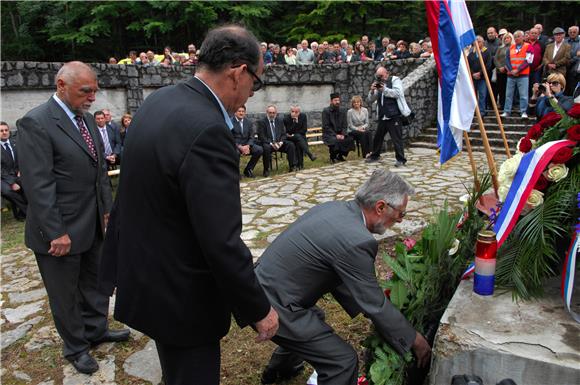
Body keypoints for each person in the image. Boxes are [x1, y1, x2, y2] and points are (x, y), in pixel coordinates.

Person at [98, 25, 279, 385]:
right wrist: (258, 308)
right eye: (255, 84)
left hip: (147, 278)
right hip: (184, 298)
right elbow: (221, 240)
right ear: (238, 71)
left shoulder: (159, 100)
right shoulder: (209, 131)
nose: (251, 95)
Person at [256, 169, 432, 385]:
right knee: (342, 361)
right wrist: (415, 340)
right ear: (380, 207)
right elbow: (373, 303)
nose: (400, 221)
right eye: (400, 214)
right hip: (274, 304)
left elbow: (342, 279)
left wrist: (371, 311)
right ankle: (281, 369)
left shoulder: (334, 208)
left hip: (265, 286)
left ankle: (278, 371)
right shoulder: (357, 241)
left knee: (314, 319)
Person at [16, 61, 128, 375]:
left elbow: (98, 173)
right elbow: (39, 185)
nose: (93, 97)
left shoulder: (87, 120)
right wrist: (56, 232)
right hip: (59, 231)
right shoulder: (36, 122)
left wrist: (106, 209)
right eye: (85, 91)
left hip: (91, 222)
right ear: (61, 85)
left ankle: (96, 329)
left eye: (95, 90)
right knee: (65, 294)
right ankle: (76, 347)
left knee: (94, 282)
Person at [366, 66, 411, 166]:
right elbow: (371, 99)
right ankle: (375, 156)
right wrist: (372, 90)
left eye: (381, 75)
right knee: (378, 137)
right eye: (378, 76)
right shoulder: (378, 83)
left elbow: (398, 93)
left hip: (394, 115)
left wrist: (384, 89)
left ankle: (401, 159)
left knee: (396, 138)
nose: (380, 78)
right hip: (383, 115)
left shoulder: (395, 80)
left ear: (386, 73)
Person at [257, 105, 298, 176]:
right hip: (269, 144)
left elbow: (283, 134)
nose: (272, 114)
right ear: (267, 112)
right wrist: (271, 143)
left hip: (279, 143)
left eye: (273, 113)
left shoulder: (279, 120)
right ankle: (266, 170)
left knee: (290, 145)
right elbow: (261, 136)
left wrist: (281, 142)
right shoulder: (262, 122)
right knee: (266, 148)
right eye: (270, 112)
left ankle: (292, 166)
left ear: (276, 113)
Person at [501, 30, 533, 118]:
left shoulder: (528, 46)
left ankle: (523, 111)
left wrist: (518, 70)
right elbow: (507, 60)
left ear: (523, 37)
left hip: (523, 75)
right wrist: (511, 70)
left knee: (523, 95)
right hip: (511, 75)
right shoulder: (510, 47)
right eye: (515, 37)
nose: (517, 38)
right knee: (508, 94)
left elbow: (529, 60)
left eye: (519, 36)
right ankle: (506, 111)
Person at [1, 121, 27, 220]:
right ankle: (27, 211)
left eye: (6, 130)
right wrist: (11, 183)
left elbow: (22, 158)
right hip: (3, 178)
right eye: (1, 131)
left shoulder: (14, 143)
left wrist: (21, 170)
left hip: (16, 174)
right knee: (8, 191)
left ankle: (21, 213)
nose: (4, 132)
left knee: (28, 184)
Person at [322, 92, 354, 163]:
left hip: (340, 133)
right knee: (335, 140)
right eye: (335, 100)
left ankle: (340, 155)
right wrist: (336, 135)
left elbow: (345, 125)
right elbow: (326, 126)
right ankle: (333, 157)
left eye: (338, 100)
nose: (337, 102)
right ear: (331, 101)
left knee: (350, 139)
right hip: (329, 134)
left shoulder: (342, 110)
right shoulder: (326, 111)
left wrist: (343, 134)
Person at [232, 105, 263, 178]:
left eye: (243, 111)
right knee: (236, 153)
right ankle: (236, 173)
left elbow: (252, 136)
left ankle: (248, 170)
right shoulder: (231, 122)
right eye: (239, 111)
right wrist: (240, 147)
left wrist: (248, 146)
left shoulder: (248, 122)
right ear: (235, 112)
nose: (241, 113)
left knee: (259, 149)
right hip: (236, 146)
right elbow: (230, 137)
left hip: (247, 145)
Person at [283, 105, 316, 169]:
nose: (294, 113)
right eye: (293, 111)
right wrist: (295, 122)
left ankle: (300, 165)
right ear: (290, 111)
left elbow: (304, 130)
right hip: (290, 138)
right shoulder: (286, 118)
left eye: (296, 112)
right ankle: (309, 154)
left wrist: (295, 134)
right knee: (298, 138)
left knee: (298, 142)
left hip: (300, 137)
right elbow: (288, 131)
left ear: (299, 112)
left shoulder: (303, 116)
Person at [468, 36, 492, 116]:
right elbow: (468, 65)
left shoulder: (487, 52)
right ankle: (473, 111)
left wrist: (480, 73)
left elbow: (488, 65)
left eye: (479, 41)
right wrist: (472, 74)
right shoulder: (471, 54)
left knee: (482, 94)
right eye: (476, 42)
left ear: (483, 42)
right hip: (473, 78)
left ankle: (482, 111)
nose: (477, 43)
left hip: (483, 78)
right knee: (473, 95)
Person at [494, 32, 513, 111]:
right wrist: (499, 67)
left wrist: (506, 67)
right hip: (500, 72)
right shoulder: (500, 48)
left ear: (511, 39)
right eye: (505, 38)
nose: (506, 39)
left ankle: (509, 106)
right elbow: (495, 59)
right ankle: (502, 104)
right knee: (501, 89)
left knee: (509, 90)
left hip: (509, 72)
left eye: (508, 38)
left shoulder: (513, 48)